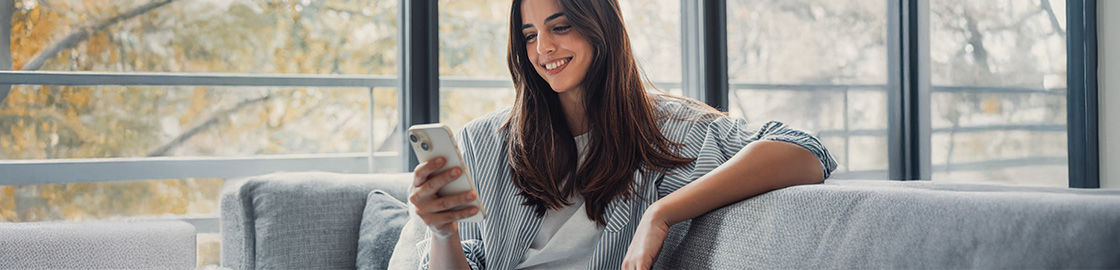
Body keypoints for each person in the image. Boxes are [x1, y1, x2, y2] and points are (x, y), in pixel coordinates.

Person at [405, 0, 837, 269]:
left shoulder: (667, 129)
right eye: (530, 35)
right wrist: (443, 234)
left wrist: (661, 213)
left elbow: (805, 151)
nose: (543, 49)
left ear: (601, 25)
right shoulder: (486, 142)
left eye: (560, 27)